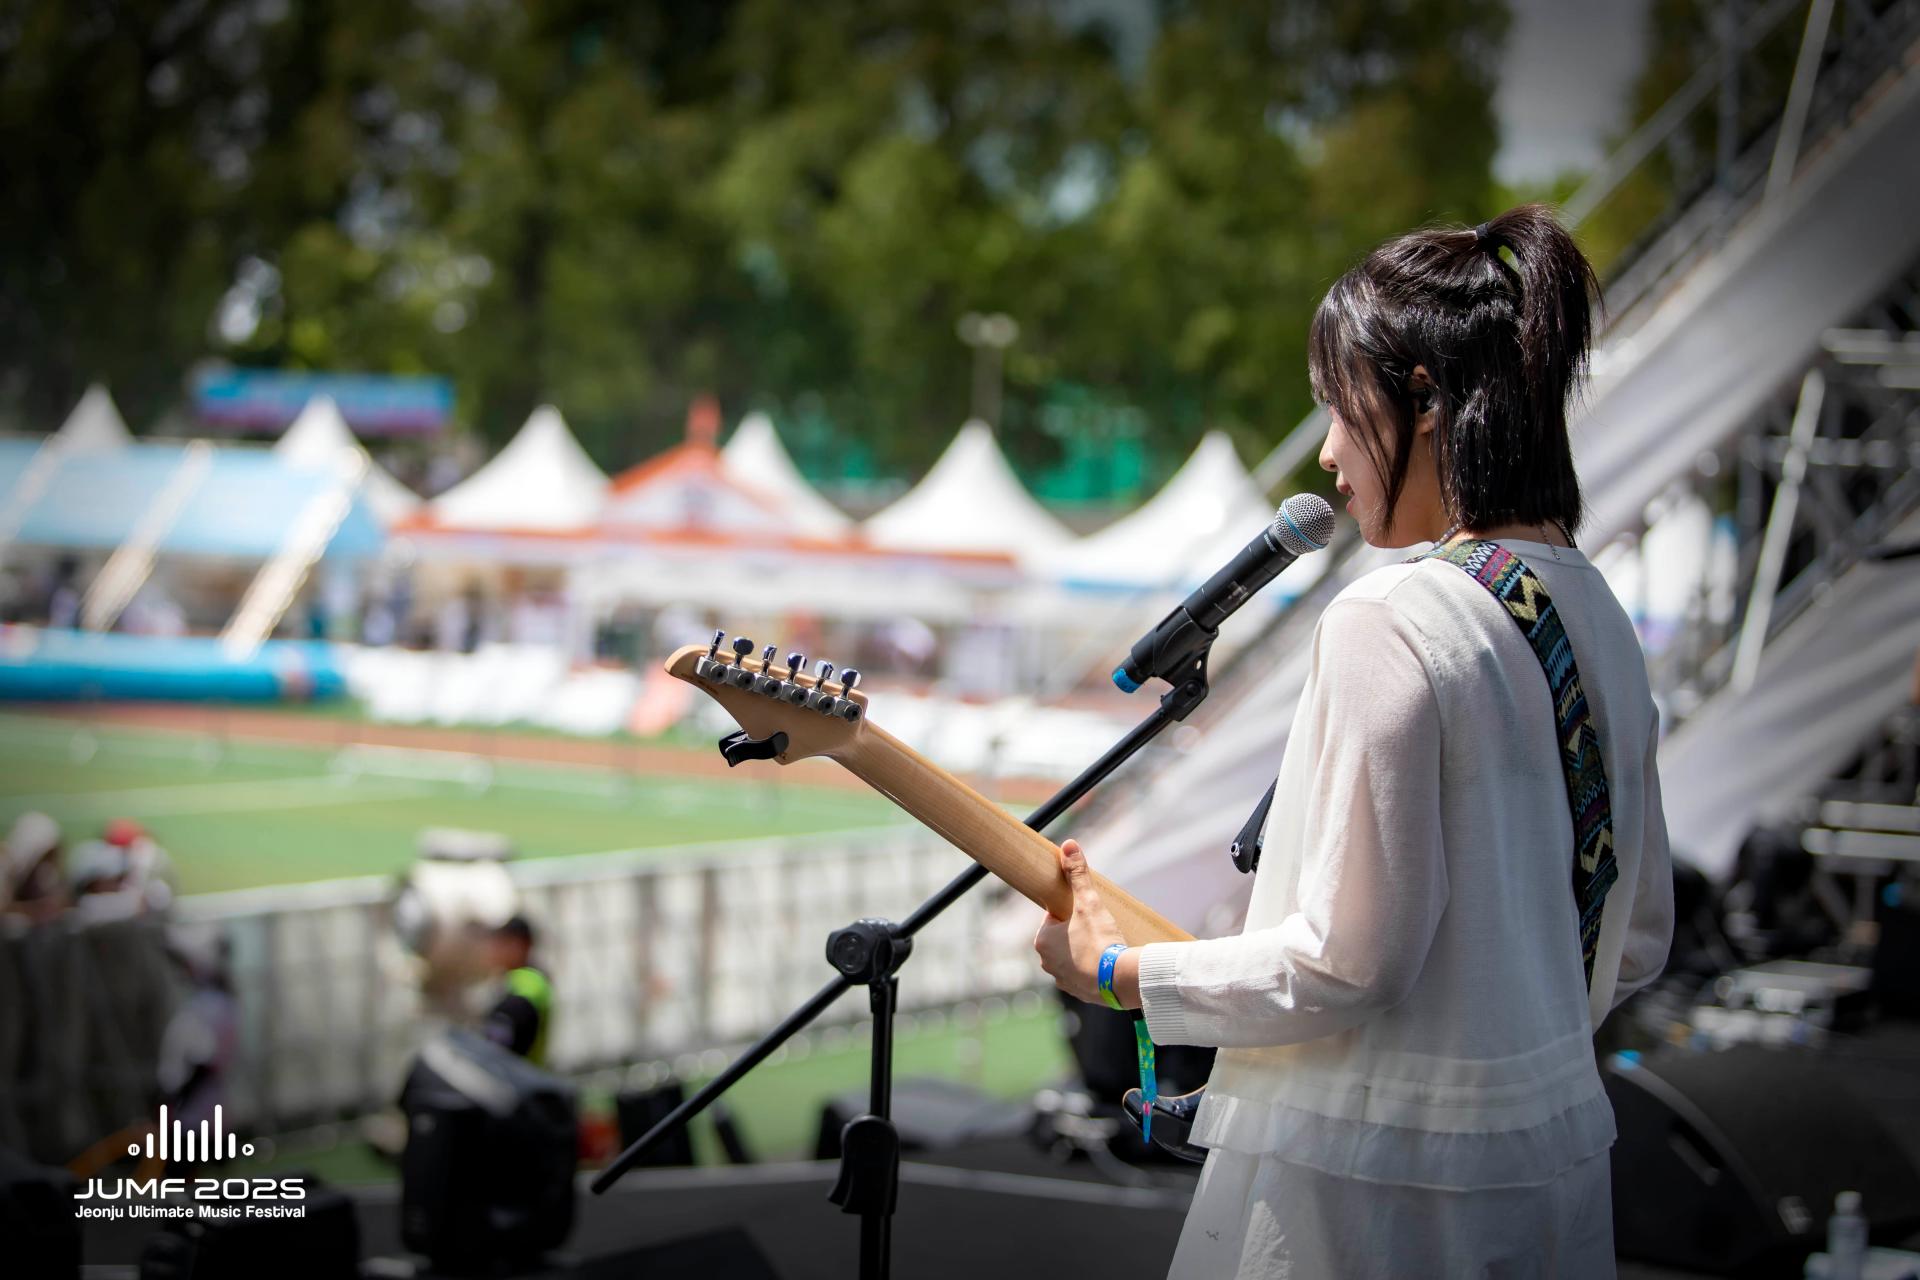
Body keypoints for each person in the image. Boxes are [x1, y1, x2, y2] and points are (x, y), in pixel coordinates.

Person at [1035, 205, 1674, 1279]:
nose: (1329, 452)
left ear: (1422, 399)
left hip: (1371, 1201)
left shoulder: (1392, 616)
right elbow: (1639, 932)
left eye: (1338, 406)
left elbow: (1348, 960)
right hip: (1556, 1169)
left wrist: (1118, 972)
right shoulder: (1601, 611)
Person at [482, 915, 553, 1066]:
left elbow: (499, 1048)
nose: (495, 949)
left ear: (523, 945)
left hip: (516, 1075)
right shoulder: (529, 978)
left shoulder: (528, 984)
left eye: (504, 943)